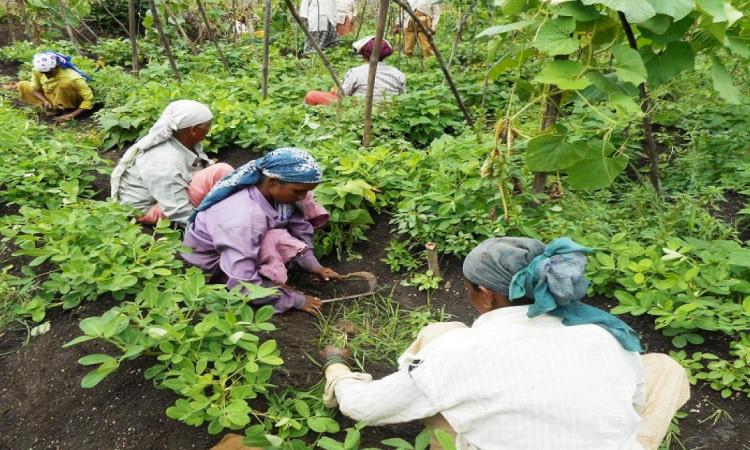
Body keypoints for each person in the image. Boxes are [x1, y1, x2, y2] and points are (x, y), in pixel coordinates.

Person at [321, 237, 691, 450]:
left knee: (441, 340)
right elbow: (634, 399)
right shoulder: (603, 335)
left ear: (485, 295)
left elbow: (365, 409)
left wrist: (337, 368)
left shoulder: (457, 352)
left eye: (467, 290)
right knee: (663, 367)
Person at [182, 148, 340, 315]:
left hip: (240, 248)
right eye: (298, 191)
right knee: (268, 246)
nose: (303, 197)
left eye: (307, 191)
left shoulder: (279, 197)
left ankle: (268, 277)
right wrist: (293, 300)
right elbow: (241, 281)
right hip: (211, 267)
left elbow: (300, 229)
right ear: (273, 182)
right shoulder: (243, 218)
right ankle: (266, 283)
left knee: (277, 236)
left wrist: (314, 266)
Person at [110, 100, 234, 227]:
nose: (209, 129)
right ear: (193, 130)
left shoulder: (183, 141)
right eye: (208, 125)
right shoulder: (162, 161)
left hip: (162, 196)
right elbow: (177, 208)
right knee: (221, 171)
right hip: (148, 209)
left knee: (222, 173)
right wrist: (205, 230)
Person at [304, 36, 406, 106]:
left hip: (359, 108)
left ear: (363, 54)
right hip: (390, 110)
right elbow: (403, 97)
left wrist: (335, 90)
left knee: (311, 95)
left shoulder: (356, 72)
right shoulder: (399, 74)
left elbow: (343, 94)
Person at [17, 52, 94, 122]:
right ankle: (53, 108)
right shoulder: (37, 71)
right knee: (23, 85)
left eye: (49, 72)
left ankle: (65, 110)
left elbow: (89, 100)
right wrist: (45, 101)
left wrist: (71, 115)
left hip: (70, 99)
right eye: (44, 73)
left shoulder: (72, 77)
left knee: (65, 84)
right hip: (51, 96)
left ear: (55, 67)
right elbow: (34, 89)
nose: (47, 75)